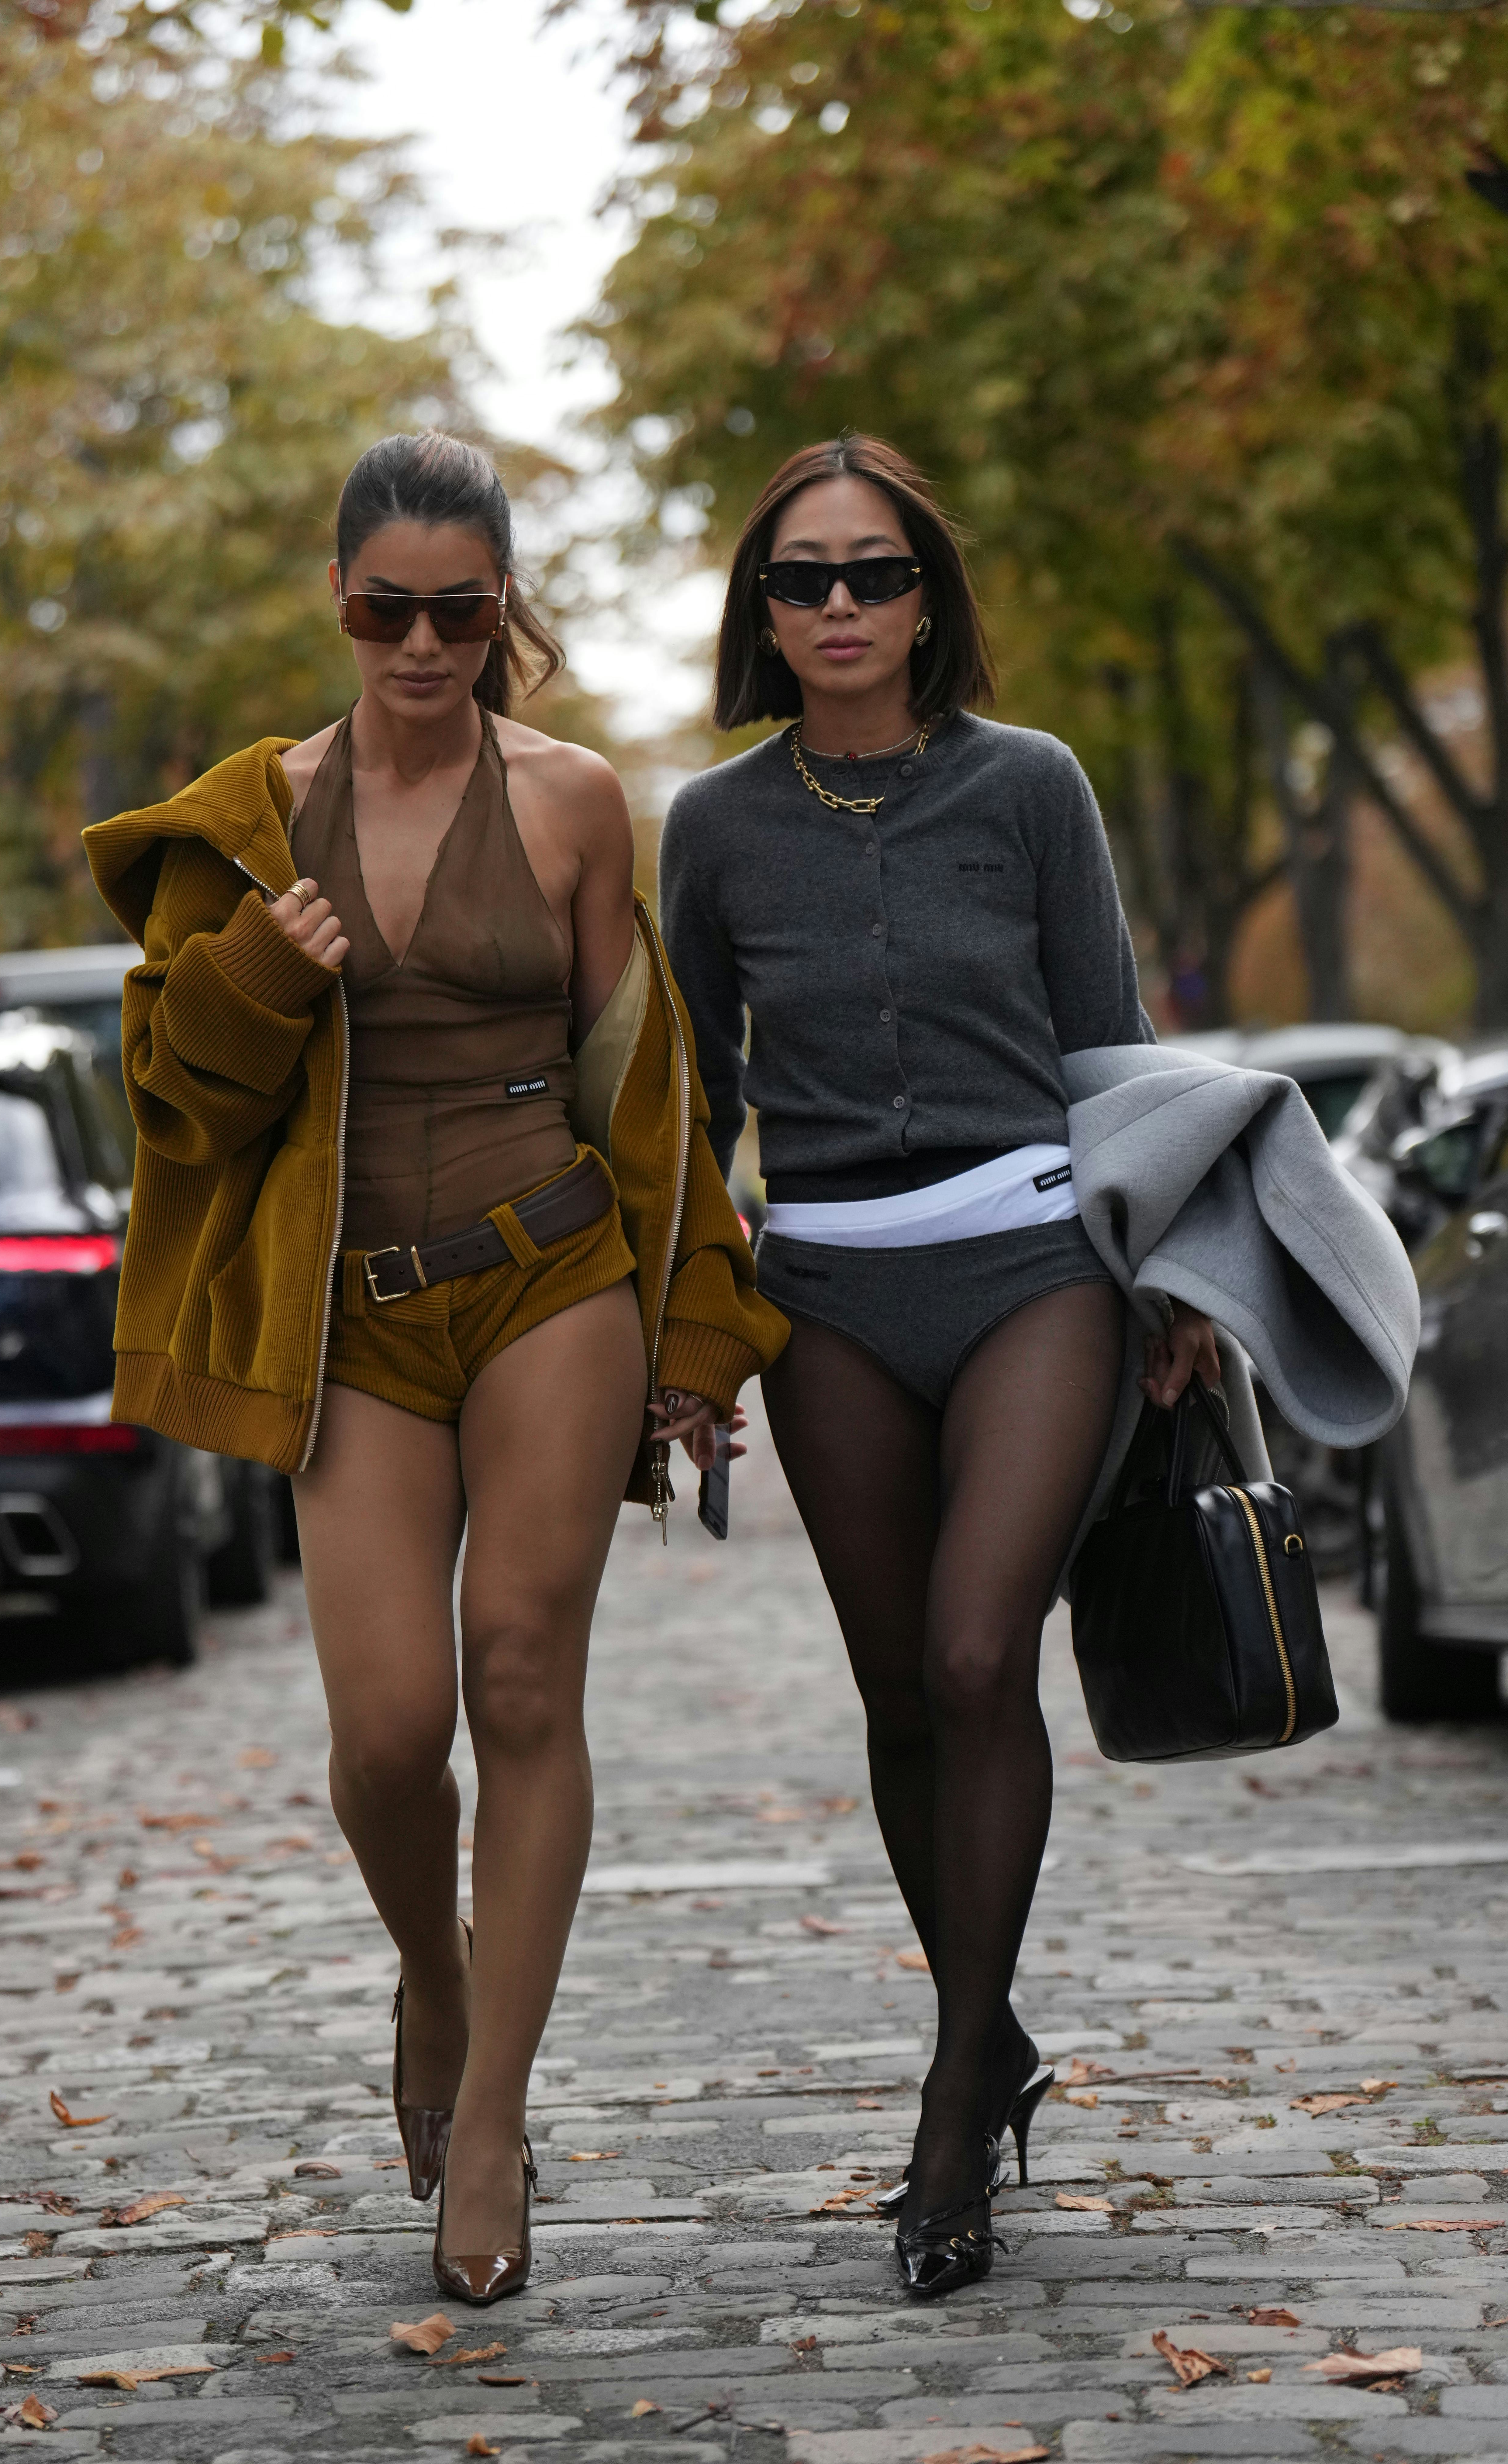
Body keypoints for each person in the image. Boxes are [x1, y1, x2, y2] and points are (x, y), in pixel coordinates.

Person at [84, 431, 786, 2307]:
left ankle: (492, 2116)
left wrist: (698, 1329)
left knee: (521, 1667)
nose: (421, 644)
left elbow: (647, 1090)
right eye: (388, 609)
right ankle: (437, 1970)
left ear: (500, 613)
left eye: (458, 612)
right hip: (352, 1316)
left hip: (547, 1271)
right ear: (339, 601)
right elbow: (174, 1114)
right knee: (391, 1735)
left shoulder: (568, 805)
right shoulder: (251, 825)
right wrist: (257, 972)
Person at [658, 434, 1220, 2297]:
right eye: (799, 579)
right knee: (902, 1691)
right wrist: (691, 1335)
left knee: (988, 1651)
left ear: (928, 598)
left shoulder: (1033, 786)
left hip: (1035, 1258)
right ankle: (997, 2037)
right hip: (826, 1281)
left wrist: (1174, 1276)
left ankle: (950, 2108)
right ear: (764, 611)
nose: (837, 607)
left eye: (871, 573)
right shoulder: (716, 826)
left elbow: (1118, 1048)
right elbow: (695, 1104)